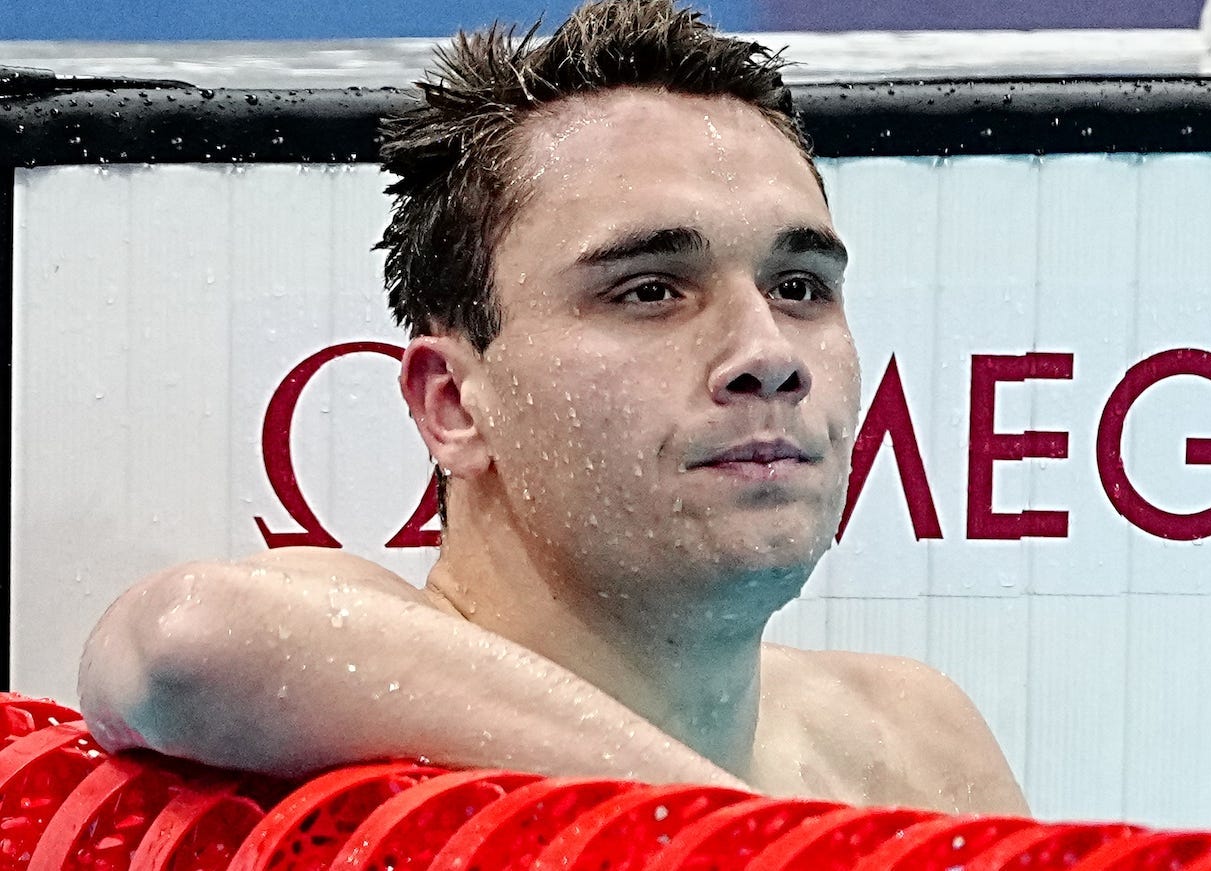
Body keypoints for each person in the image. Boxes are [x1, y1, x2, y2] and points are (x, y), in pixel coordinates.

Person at [75, 0, 1028, 815]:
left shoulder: (914, 754)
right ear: (452, 402)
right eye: (651, 289)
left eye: (801, 286)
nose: (769, 355)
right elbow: (184, 642)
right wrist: (738, 839)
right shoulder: (323, 717)